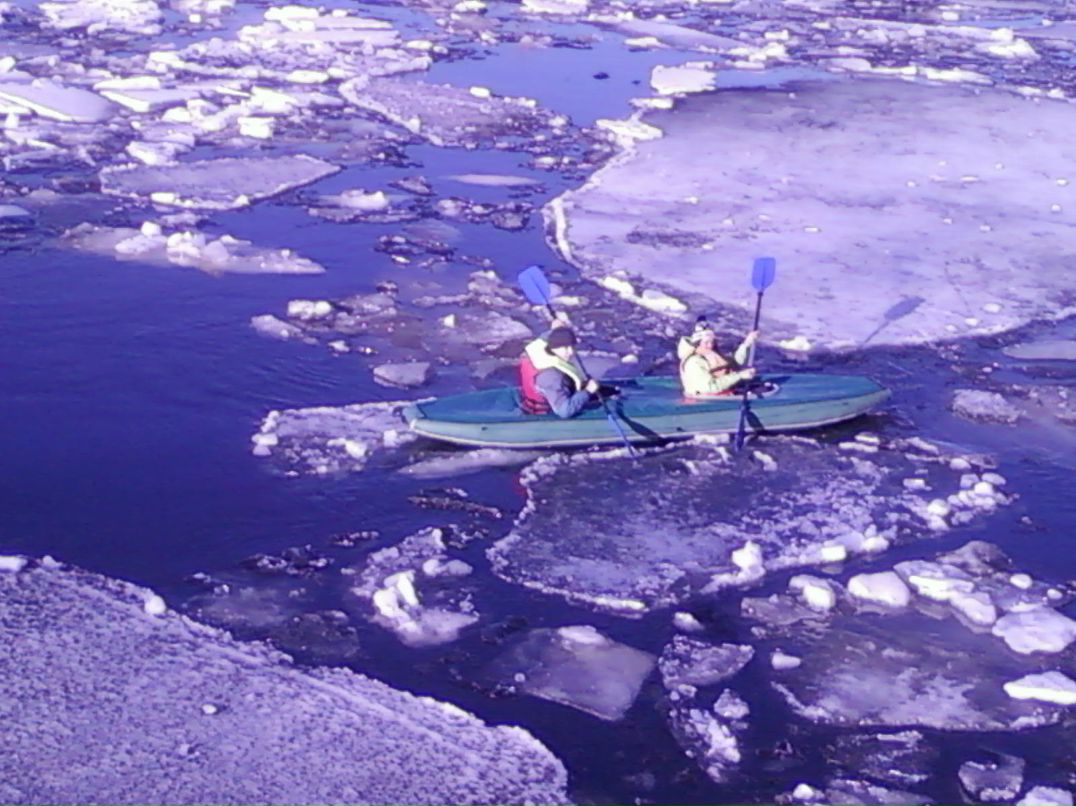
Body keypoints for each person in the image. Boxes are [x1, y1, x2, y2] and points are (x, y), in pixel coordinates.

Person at [519, 316, 602, 417]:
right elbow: (564, 411)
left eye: (572, 346)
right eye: (565, 347)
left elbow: (546, 339)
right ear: (554, 347)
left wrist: (556, 330)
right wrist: (587, 391)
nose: (571, 352)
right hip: (545, 415)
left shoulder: (538, 350)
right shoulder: (551, 376)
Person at [677, 317, 759, 397]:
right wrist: (739, 376)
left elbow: (733, 365)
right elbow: (710, 387)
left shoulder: (710, 354)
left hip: (725, 393)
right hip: (703, 401)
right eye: (706, 342)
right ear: (697, 343)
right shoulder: (693, 362)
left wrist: (747, 343)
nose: (710, 345)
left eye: (712, 342)